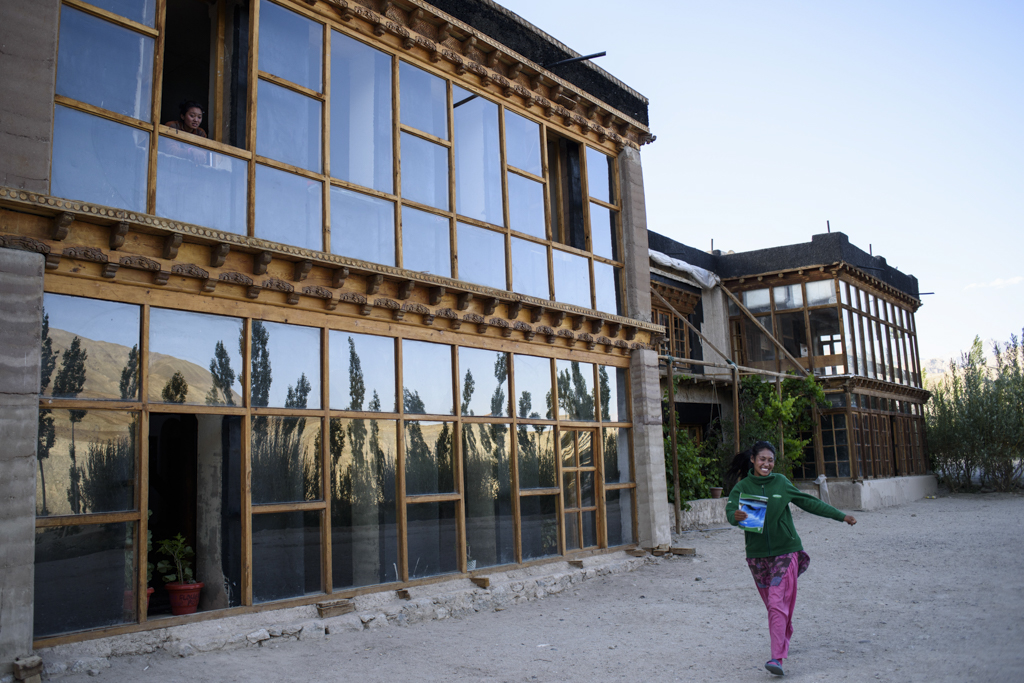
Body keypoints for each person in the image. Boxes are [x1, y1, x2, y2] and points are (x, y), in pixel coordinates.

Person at [725, 440, 857, 676]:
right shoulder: (742, 487)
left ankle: (777, 658)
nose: (767, 463)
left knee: (777, 602)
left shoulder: (781, 483)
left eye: (771, 460)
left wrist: (841, 516)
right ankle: (784, 630)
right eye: (762, 459)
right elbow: (730, 514)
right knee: (773, 605)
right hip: (756, 556)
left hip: (786, 551)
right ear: (753, 460)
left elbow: (810, 503)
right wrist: (736, 516)